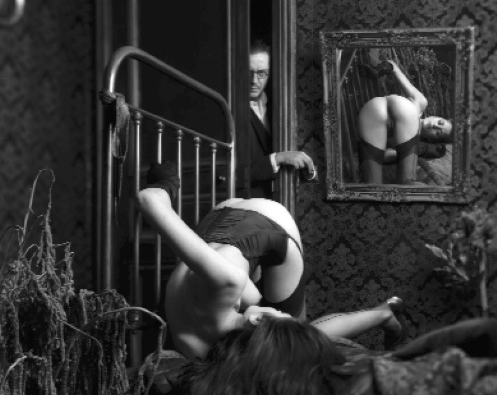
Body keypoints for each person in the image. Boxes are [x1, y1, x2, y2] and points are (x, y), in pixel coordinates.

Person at [137, 163, 405, 361]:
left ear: (257, 320)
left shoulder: (227, 282)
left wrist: (167, 182)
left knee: (294, 336)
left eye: (275, 314)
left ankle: (384, 313)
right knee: (292, 338)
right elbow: (250, 301)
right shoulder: (199, 353)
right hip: (235, 225)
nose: (275, 310)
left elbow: (148, 199)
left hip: (263, 220)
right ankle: (383, 314)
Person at [357, 59, 453, 184]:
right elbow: (393, 67)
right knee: (408, 182)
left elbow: (381, 157)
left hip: (371, 110)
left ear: (432, 139)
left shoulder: (413, 140)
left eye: (438, 133)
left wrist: (420, 150)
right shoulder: (420, 104)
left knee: (373, 185)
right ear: (436, 116)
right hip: (402, 110)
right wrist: (379, 70)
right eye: (440, 122)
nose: (435, 126)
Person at [249, 40, 316, 197]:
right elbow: (228, 174)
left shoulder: (278, 106)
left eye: (261, 73)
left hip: (281, 197)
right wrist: (278, 158)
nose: (254, 81)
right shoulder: (229, 110)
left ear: (270, 73)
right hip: (246, 203)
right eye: (248, 72)